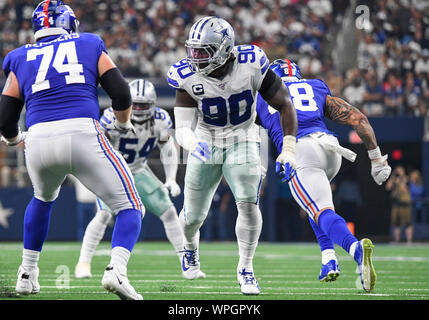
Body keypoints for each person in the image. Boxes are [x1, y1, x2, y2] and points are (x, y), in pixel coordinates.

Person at [0, 1, 144, 300]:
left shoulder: (19, 56)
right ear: (69, 23)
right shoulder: (89, 43)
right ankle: (116, 271)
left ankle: (27, 274)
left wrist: (15, 139)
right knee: (130, 206)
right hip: (82, 133)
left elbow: (5, 117)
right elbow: (120, 92)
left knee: (42, 199)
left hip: (38, 139)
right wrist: (122, 123)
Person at [167, 16, 297, 295]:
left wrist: (289, 150)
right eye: (193, 50)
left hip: (243, 137)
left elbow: (285, 104)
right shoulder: (187, 76)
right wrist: (191, 143)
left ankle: (246, 268)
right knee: (192, 217)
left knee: (248, 204)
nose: (195, 57)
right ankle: (190, 248)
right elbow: (182, 128)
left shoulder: (251, 62)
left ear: (224, 50)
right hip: (205, 139)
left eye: (203, 51)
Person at [256, 58, 392, 292]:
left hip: (301, 150)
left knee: (320, 210)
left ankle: (356, 250)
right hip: (331, 149)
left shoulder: (261, 95)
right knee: (316, 207)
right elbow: (359, 119)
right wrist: (376, 159)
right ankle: (328, 258)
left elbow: (246, 128)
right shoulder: (315, 87)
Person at [74, 79, 206, 279]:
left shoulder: (161, 119)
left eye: (142, 105)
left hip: (138, 170)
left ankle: (185, 264)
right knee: (102, 215)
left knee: (169, 212)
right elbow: (98, 148)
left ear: (152, 104)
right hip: (114, 171)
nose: (137, 109)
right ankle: (83, 263)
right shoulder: (112, 116)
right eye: (134, 104)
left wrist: (170, 178)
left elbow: (168, 149)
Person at [386, 166, 413, 243]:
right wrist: (393, 177)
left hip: (405, 203)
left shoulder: (406, 179)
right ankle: (396, 239)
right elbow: (388, 187)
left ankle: (409, 240)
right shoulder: (394, 180)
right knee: (396, 223)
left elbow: (405, 190)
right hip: (396, 203)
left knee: (408, 222)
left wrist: (400, 182)